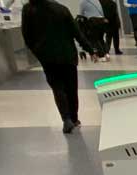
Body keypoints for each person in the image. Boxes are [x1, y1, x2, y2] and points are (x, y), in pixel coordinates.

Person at [23, 0, 97, 133]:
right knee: (71, 88)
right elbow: (76, 32)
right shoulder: (61, 9)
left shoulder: (28, 10)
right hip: (67, 55)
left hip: (47, 57)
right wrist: (90, 50)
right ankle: (74, 118)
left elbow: (27, 36)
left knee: (57, 88)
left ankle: (66, 119)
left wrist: (37, 52)